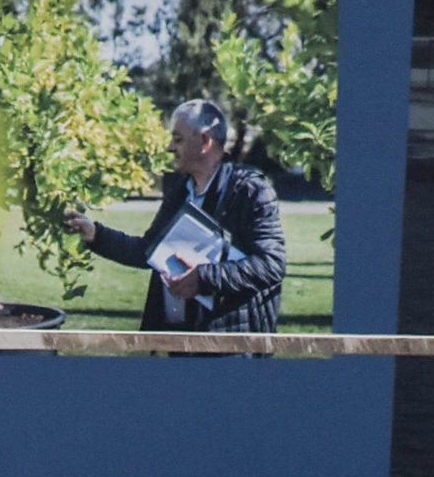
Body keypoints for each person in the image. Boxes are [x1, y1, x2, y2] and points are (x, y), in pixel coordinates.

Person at [60, 99, 287, 335]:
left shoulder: (251, 190)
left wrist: (205, 278)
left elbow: (272, 264)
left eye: (177, 139)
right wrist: (95, 234)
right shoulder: (180, 189)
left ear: (205, 142)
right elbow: (148, 251)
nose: (169, 147)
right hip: (177, 342)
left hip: (230, 348)